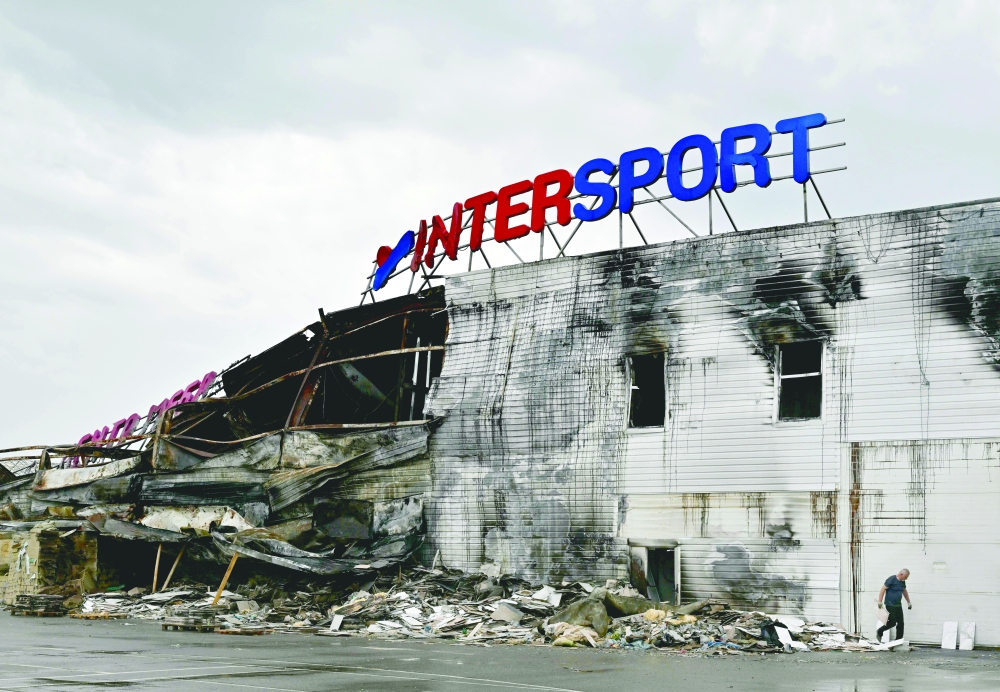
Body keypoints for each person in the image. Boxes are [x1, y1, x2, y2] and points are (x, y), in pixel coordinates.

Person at [877, 568, 912, 641]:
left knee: (901, 623)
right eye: (906, 577)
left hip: (898, 605)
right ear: (901, 574)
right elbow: (883, 589)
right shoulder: (891, 579)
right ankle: (880, 631)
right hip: (890, 604)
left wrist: (908, 602)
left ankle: (898, 639)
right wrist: (880, 601)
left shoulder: (902, 582)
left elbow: (904, 591)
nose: (906, 579)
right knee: (892, 622)